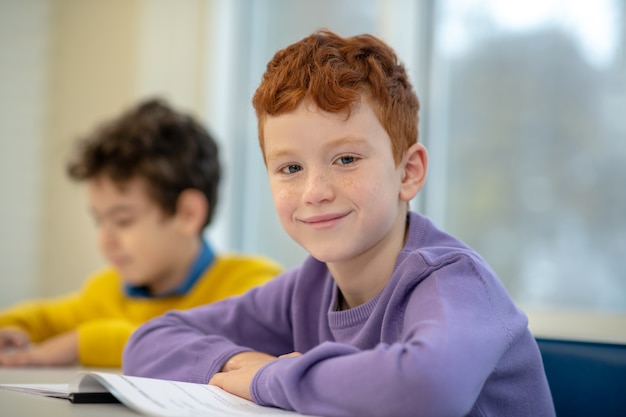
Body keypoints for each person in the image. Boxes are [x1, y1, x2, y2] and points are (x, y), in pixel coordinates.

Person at [123, 31, 555, 417]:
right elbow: (149, 341)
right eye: (290, 167)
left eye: (346, 159)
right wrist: (241, 363)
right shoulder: (306, 288)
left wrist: (269, 378)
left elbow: (428, 389)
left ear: (407, 172)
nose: (315, 191)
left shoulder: (456, 281)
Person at [0, 98, 282, 368]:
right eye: (99, 221)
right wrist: (13, 327)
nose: (105, 240)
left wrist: (87, 342)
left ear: (188, 214)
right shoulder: (107, 291)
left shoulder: (251, 287)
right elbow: (43, 319)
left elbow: (201, 346)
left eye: (123, 221)